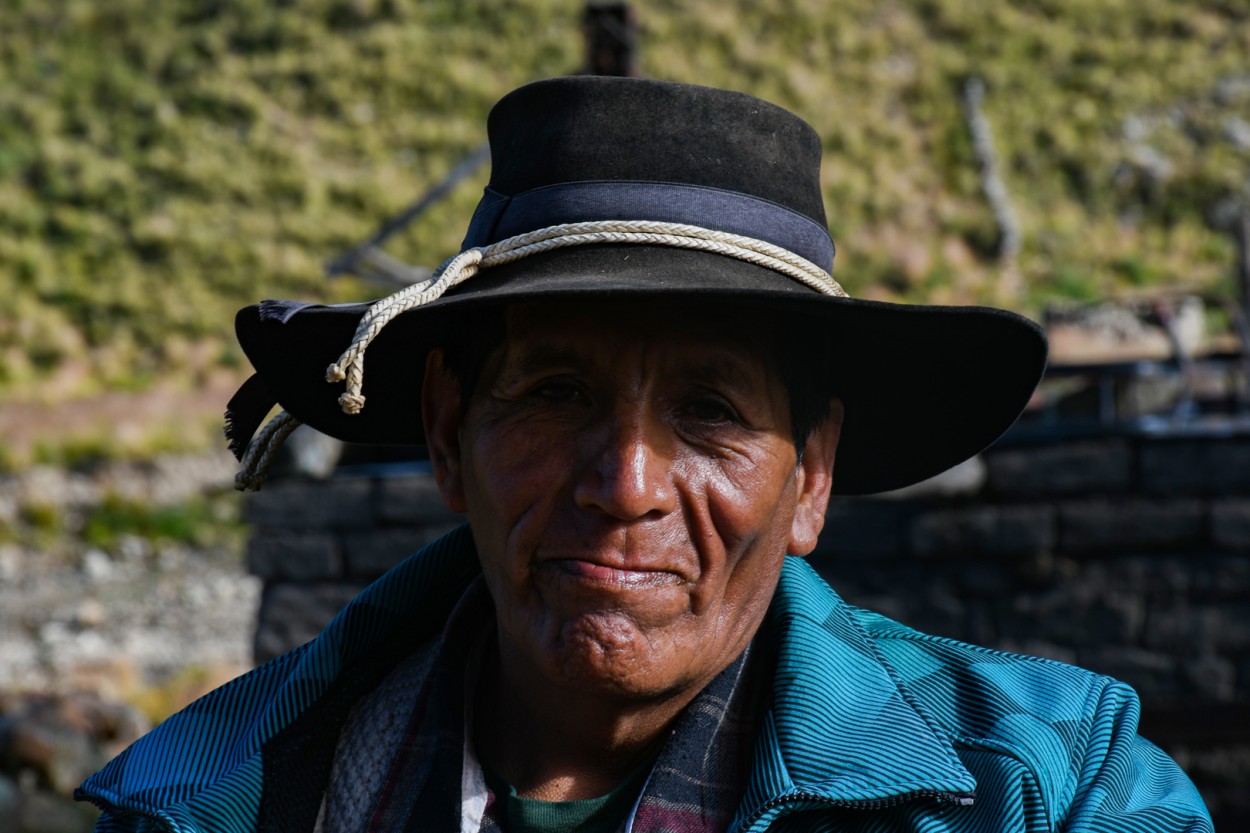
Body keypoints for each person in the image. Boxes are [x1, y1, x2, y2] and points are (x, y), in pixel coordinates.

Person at [77, 76, 1213, 832]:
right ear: (444, 433)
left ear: (809, 474)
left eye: (711, 408)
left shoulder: (1047, 787)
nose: (623, 484)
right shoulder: (205, 802)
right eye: (556, 392)